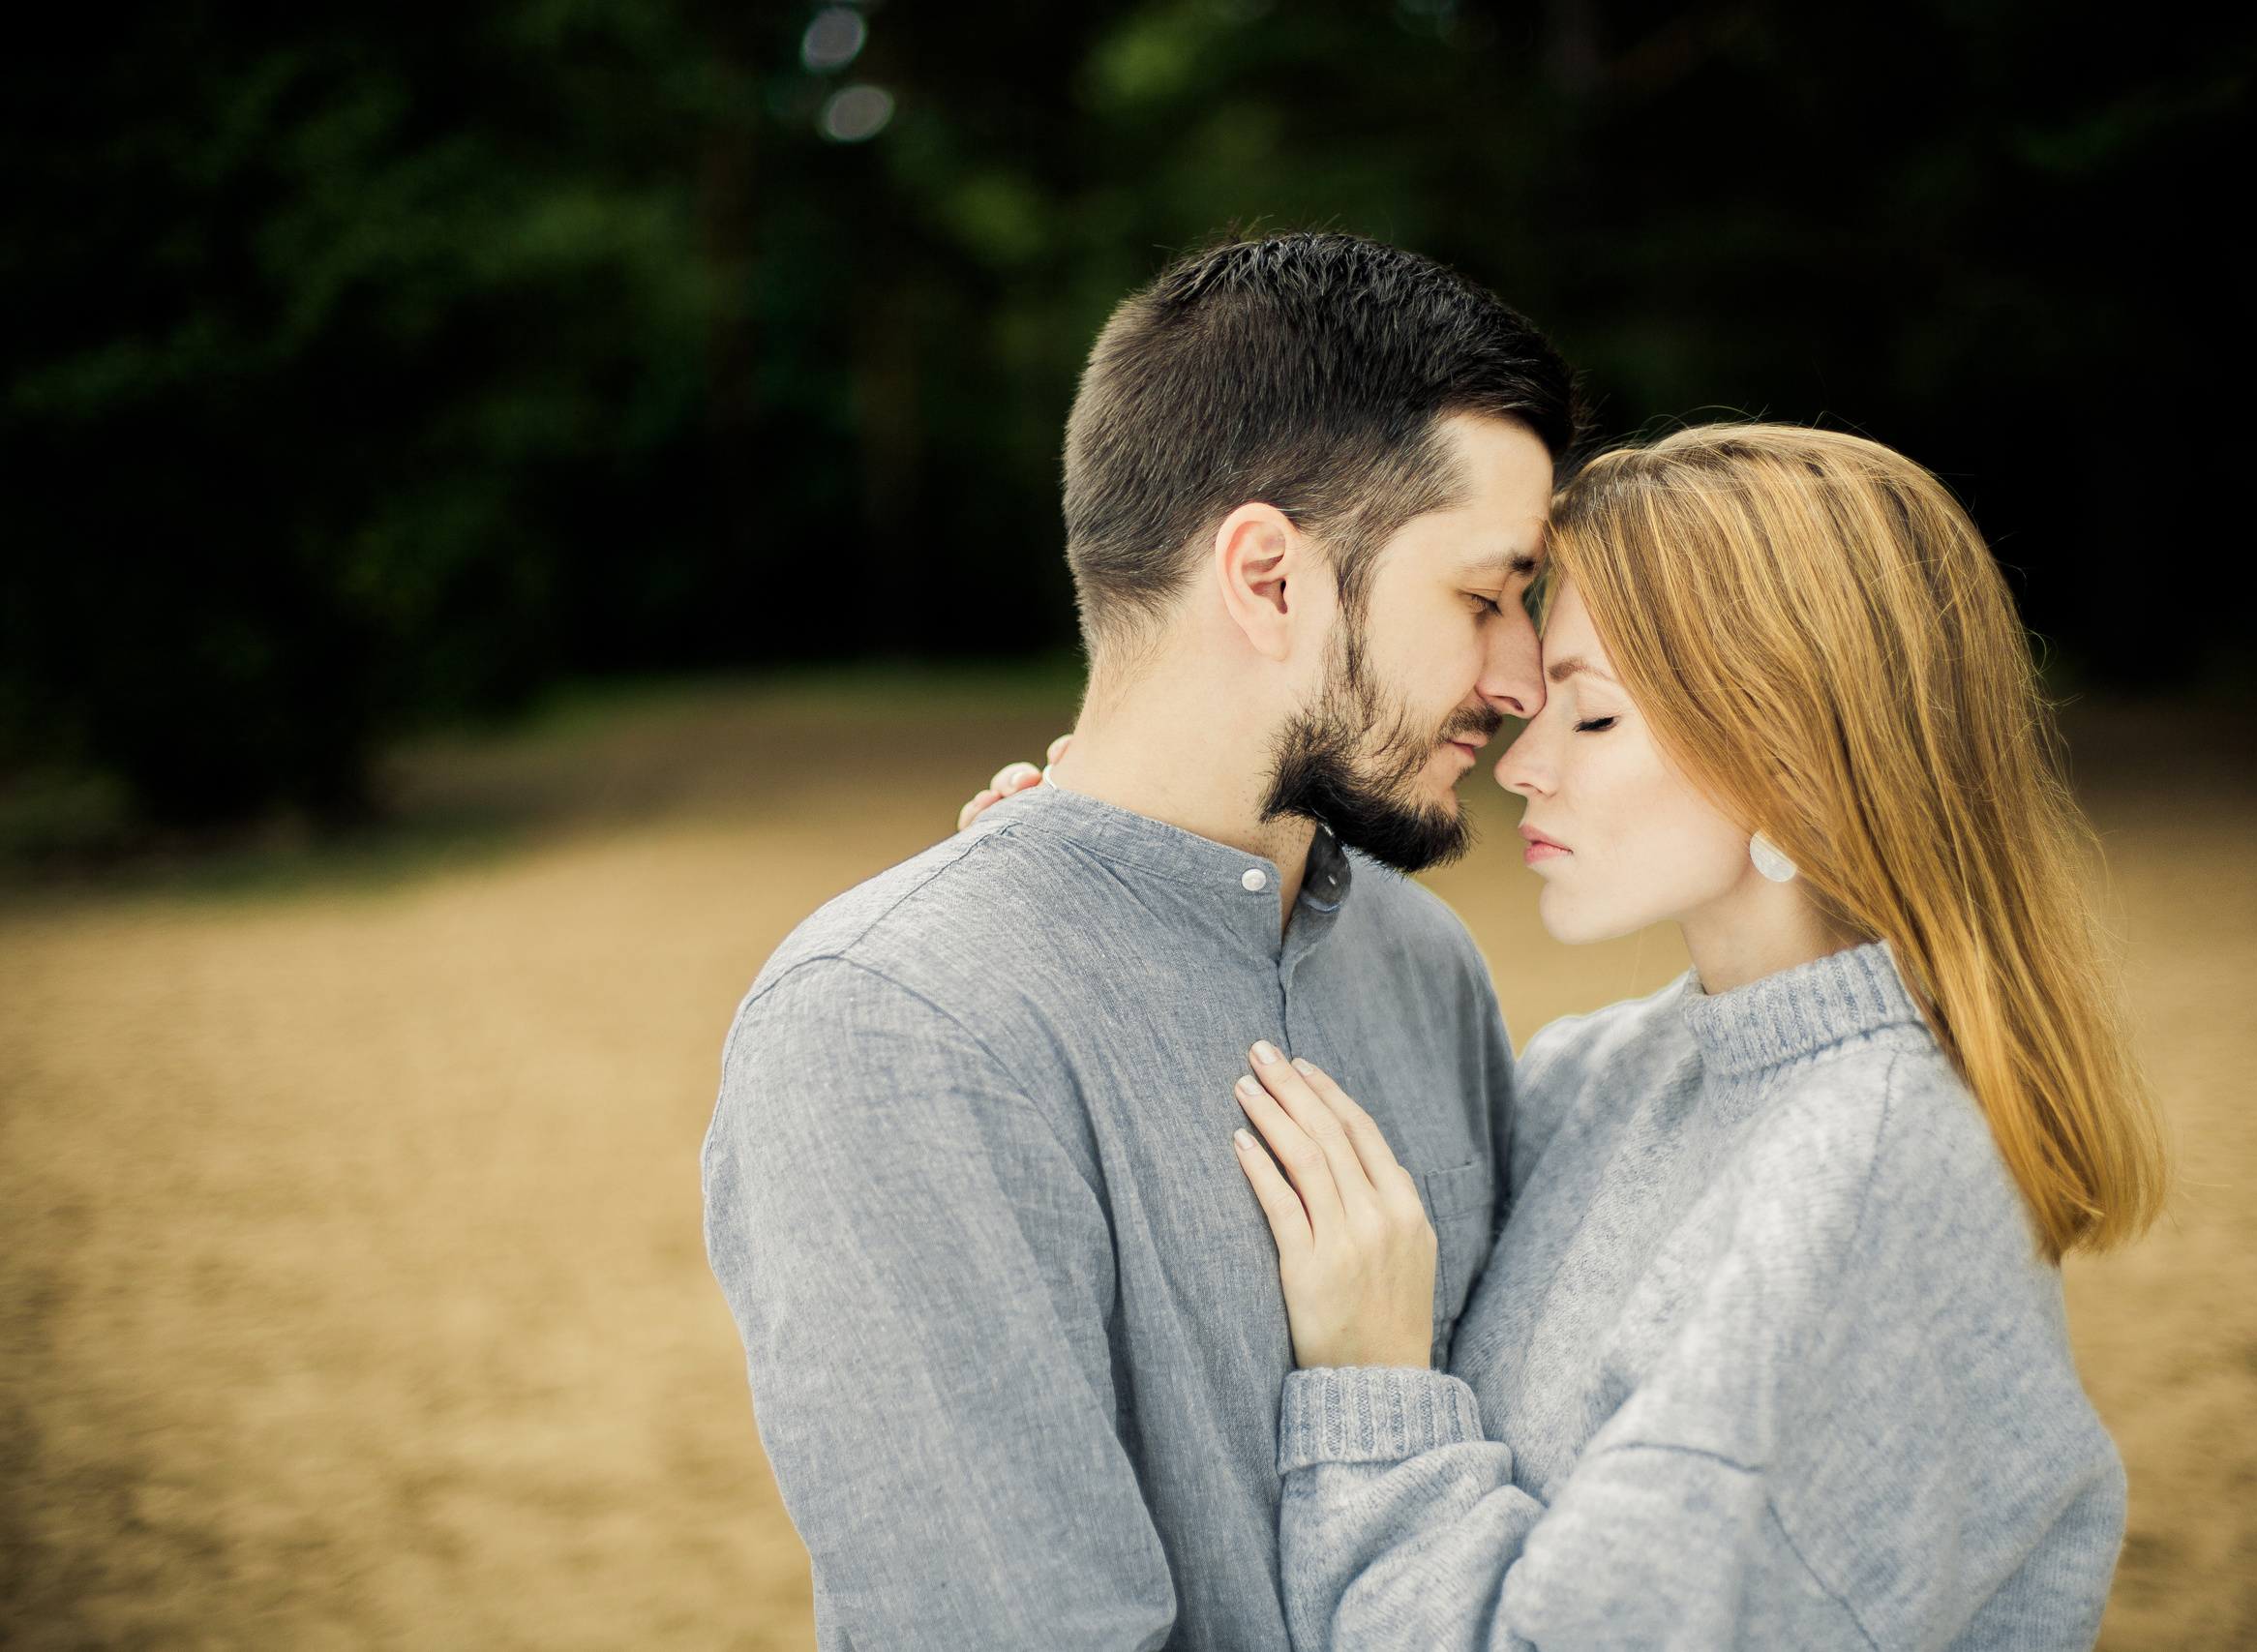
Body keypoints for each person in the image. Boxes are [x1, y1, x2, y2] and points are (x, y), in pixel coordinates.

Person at [700, 232, 1577, 1650]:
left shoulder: (1425, 964)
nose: (1526, 675)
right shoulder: (893, 1023)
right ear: (1270, 577)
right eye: (1485, 596)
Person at [1211, 424, 2168, 1649]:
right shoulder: (1602, 1071)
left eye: (1593, 721)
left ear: (1793, 768)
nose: (1523, 766)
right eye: (1541, 703)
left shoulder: (1862, 1177)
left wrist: (1375, 1398)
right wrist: (1142, 877)